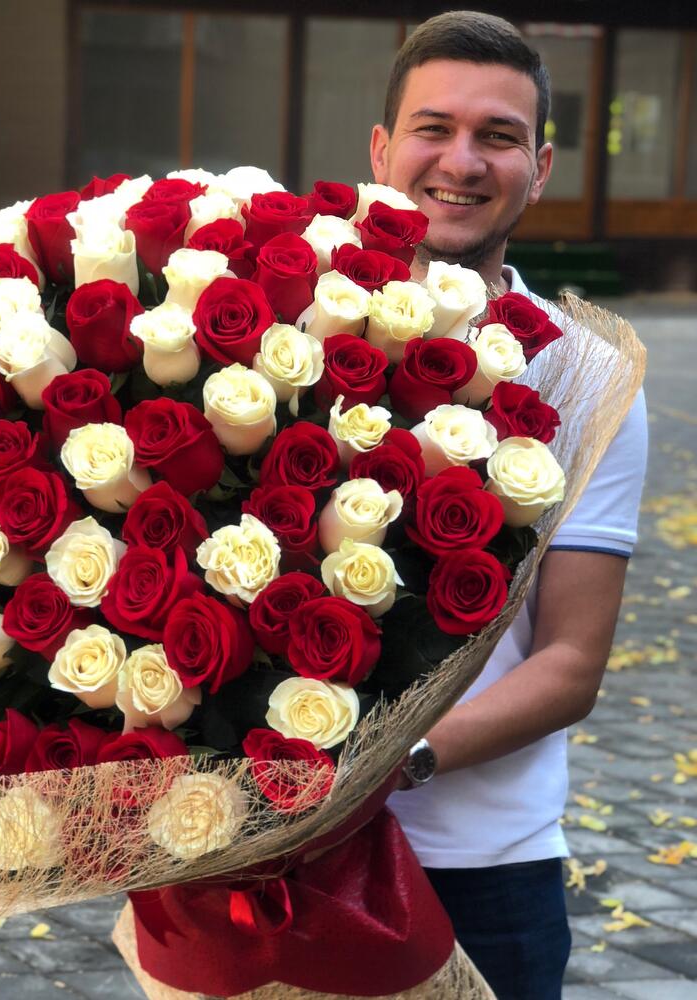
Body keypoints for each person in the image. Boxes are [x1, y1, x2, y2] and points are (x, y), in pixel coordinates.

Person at [370, 12, 648, 1000]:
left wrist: (386, 767)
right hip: (256, 863)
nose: (460, 161)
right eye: (432, 128)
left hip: (480, 874)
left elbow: (569, 661)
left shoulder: (588, 378)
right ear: (381, 150)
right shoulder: (281, 332)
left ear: (539, 168)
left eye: (498, 136)